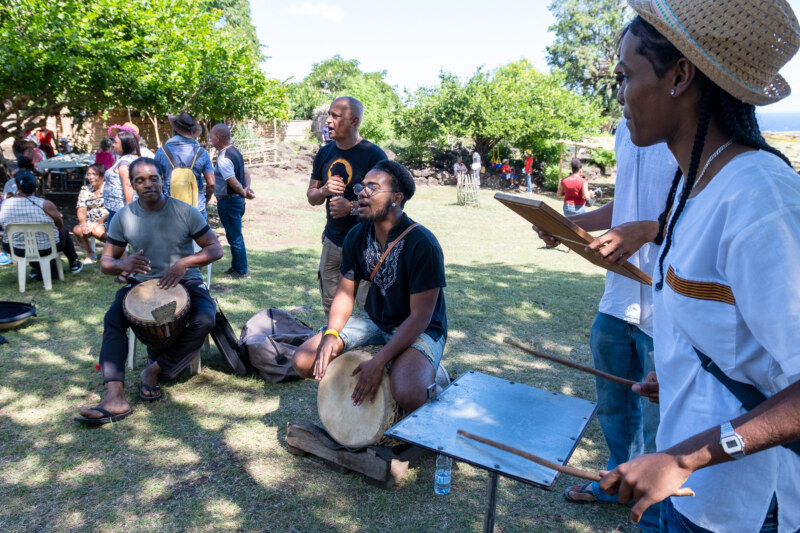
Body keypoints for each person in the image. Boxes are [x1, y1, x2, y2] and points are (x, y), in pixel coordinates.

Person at [593, 3, 800, 532]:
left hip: (744, 508)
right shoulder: (697, 185)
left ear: (680, 75)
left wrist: (685, 458)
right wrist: (689, 373)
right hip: (686, 496)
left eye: (625, 76)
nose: (620, 95)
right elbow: (742, 339)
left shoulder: (758, 198)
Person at [536, 118, 677, 533]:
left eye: (628, 75)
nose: (620, 91)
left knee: (659, 419)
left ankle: (654, 508)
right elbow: (626, 205)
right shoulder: (624, 129)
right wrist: (572, 229)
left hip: (667, 301)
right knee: (615, 405)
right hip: (618, 299)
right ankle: (620, 483)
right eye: (618, 79)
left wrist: (652, 230)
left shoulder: (694, 124)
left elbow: (704, 205)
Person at [74, 158, 222, 425]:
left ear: (161, 179)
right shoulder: (123, 217)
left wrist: (184, 263)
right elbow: (107, 263)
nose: (148, 184)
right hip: (142, 287)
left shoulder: (186, 212)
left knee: (206, 319)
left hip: (185, 282)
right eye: (140, 180)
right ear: (132, 184)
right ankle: (115, 396)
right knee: (113, 320)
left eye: (153, 178)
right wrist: (123, 263)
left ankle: (155, 369)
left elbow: (215, 249)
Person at [293, 160, 447, 412]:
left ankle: (436, 381)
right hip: (375, 320)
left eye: (372, 188)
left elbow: (421, 316)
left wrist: (379, 361)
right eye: (361, 187)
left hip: (423, 328)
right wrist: (331, 334)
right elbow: (344, 293)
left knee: (408, 392)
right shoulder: (357, 235)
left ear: (396, 198)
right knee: (303, 360)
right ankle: (405, 368)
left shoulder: (423, 244)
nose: (362, 193)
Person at [307, 96, 387, 317]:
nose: (328, 121)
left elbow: (384, 203)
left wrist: (350, 207)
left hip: (366, 246)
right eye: (329, 115)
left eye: (335, 116)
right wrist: (324, 191)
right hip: (332, 243)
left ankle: (364, 352)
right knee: (331, 309)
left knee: (366, 312)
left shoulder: (373, 155)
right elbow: (311, 196)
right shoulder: (324, 153)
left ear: (354, 121)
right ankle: (335, 350)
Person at [0, 170, 82, 277]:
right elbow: (60, 225)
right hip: (45, 249)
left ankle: (35, 268)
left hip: (16, 249)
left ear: (16, 185)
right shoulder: (45, 204)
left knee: (25, 238)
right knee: (63, 230)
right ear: (35, 185)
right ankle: (73, 263)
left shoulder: (5, 204)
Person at [210, 123, 255, 279]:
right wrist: (247, 188)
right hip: (237, 201)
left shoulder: (223, 157)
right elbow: (245, 171)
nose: (210, 141)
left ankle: (241, 271)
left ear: (218, 138)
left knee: (235, 237)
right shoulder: (235, 152)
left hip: (229, 201)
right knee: (233, 235)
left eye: (211, 137)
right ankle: (236, 266)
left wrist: (244, 192)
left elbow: (233, 181)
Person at [154, 112, 214, 219]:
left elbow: (157, 181)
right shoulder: (201, 153)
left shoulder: (162, 152)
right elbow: (212, 183)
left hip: (171, 210)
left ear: (174, 130)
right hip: (197, 209)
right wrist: (206, 198)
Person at [72, 163, 109, 264]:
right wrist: (83, 224)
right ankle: (90, 252)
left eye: (94, 174)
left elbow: (113, 210)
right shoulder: (85, 189)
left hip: (106, 220)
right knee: (77, 230)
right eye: (89, 174)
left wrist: (97, 222)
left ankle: (114, 250)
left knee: (97, 230)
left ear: (102, 176)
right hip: (89, 220)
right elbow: (81, 208)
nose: (90, 177)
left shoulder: (109, 189)